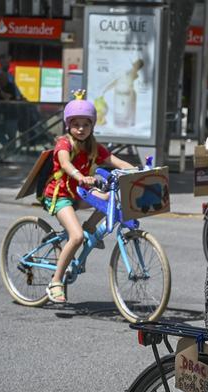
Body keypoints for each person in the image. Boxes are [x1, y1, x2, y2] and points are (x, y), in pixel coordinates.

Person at [42, 91, 137, 304]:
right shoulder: (64, 144)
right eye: (76, 124)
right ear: (68, 125)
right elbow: (65, 164)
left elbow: (117, 162)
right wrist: (80, 176)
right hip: (60, 195)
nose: (81, 129)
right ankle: (56, 281)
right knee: (75, 237)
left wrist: (140, 172)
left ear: (92, 125)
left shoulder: (94, 146)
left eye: (86, 124)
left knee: (108, 198)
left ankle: (90, 228)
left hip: (80, 192)